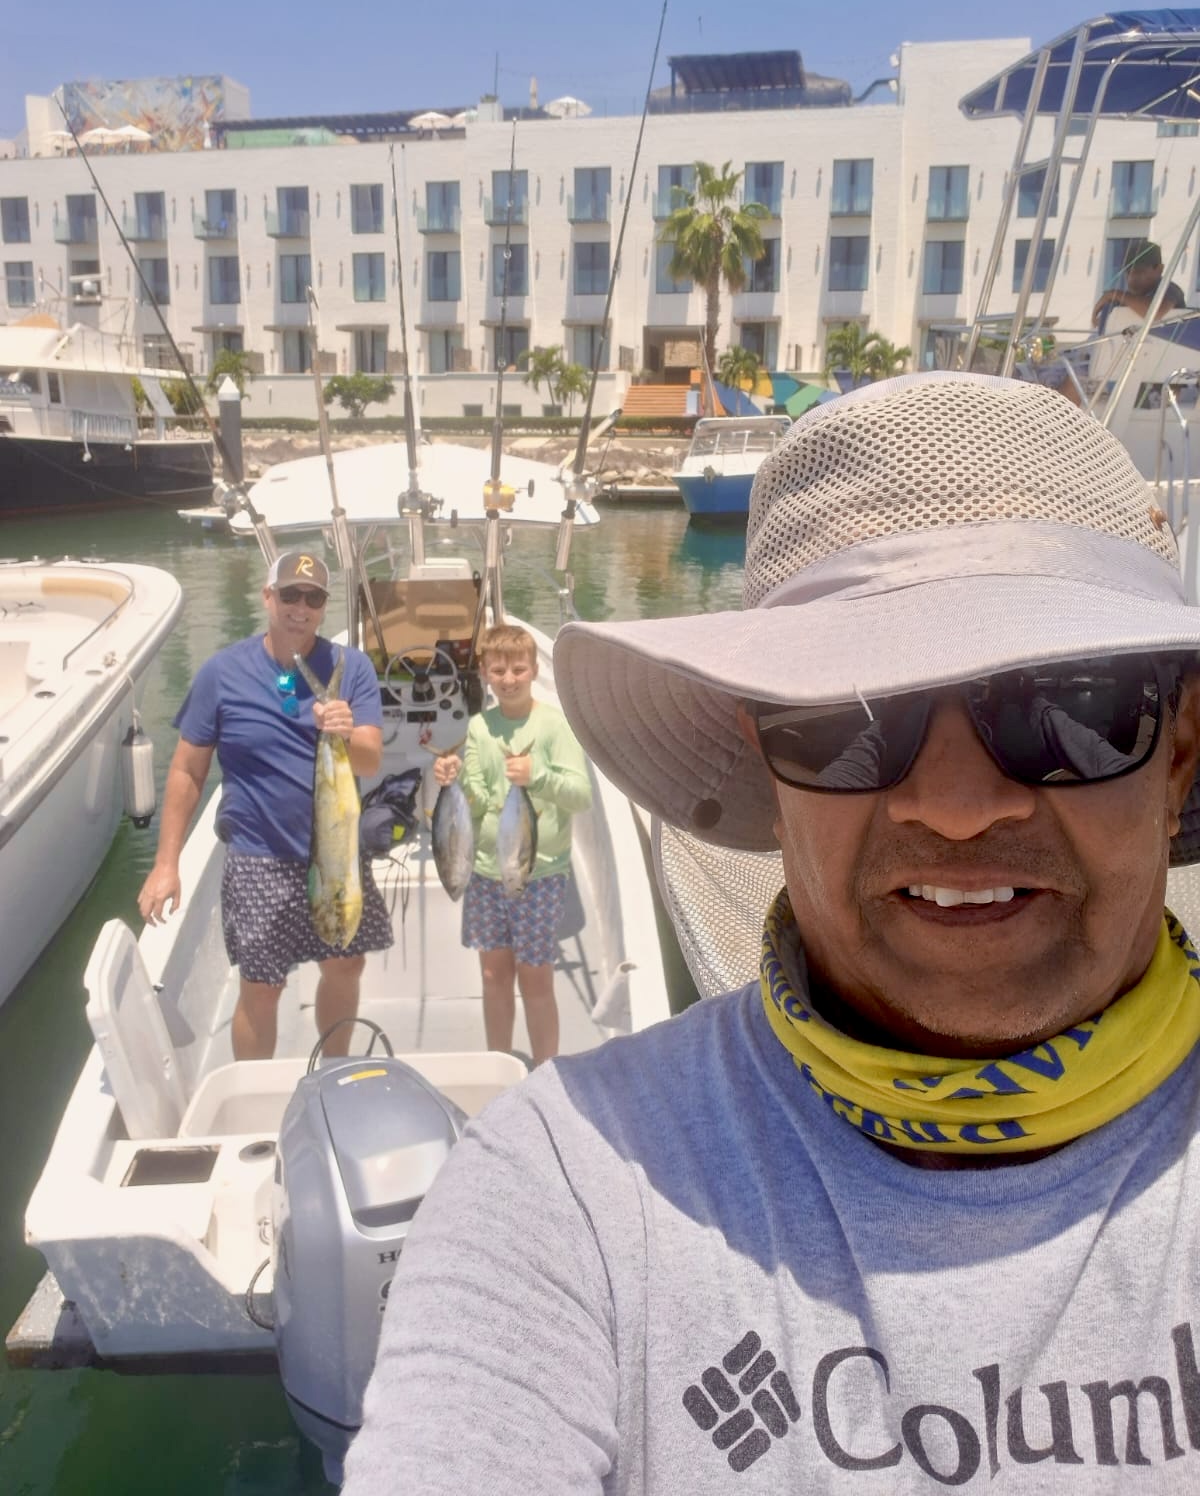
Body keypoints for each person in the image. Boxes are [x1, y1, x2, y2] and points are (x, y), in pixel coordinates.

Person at [343, 374, 1200, 1492]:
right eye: (847, 718)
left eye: (1072, 703)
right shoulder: (569, 1185)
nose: (955, 803)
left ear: (1183, 743)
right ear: (762, 752)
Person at [138, 548, 392, 1060]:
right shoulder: (221, 673)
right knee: (261, 985)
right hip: (258, 856)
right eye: (290, 595)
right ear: (267, 596)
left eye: (314, 598)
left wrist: (344, 731)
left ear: (324, 606)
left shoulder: (352, 666)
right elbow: (188, 771)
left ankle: (334, 1071)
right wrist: (166, 864)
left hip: (336, 851)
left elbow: (368, 762)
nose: (301, 607)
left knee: (345, 965)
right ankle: (257, 1090)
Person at [431, 622, 591, 1065]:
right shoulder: (481, 728)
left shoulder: (554, 726)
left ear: (533, 669)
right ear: (484, 672)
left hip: (538, 874)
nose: (508, 678)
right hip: (485, 872)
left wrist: (535, 776)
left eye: (518, 669)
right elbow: (478, 804)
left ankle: (545, 1070)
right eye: (498, 670)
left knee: (535, 977)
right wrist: (454, 778)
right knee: (492, 974)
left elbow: (581, 795)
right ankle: (496, 1062)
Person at [1091, 237, 1185, 333]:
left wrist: (1113, 294)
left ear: (1159, 269)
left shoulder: (1170, 289)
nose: (1132, 278)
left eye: (1139, 272)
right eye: (1128, 272)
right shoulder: (1124, 299)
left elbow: (1155, 312)